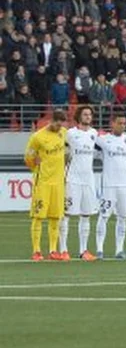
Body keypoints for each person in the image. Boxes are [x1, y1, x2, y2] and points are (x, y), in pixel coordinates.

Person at [25, 109, 67, 261]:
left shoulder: (63, 132)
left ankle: (53, 250)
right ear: (52, 120)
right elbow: (28, 156)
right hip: (42, 181)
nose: (59, 127)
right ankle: (36, 251)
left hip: (58, 182)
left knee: (56, 217)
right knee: (38, 216)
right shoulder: (37, 137)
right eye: (57, 123)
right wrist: (33, 164)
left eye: (62, 124)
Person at [95, 113, 126, 259]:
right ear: (112, 123)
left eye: (124, 123)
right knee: (104, 215)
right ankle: (99, 249)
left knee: (123, 217)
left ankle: (119, 250)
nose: (122, 126)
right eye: (119, 123)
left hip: (124, 185)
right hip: (109, 184)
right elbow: (95, 152)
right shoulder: (103, 139)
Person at [64, 106, 100, 261]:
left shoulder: (94, 133)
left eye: (90, 114)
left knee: (86, 215)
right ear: (79, 116)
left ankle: (83, 250)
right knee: (66, 215)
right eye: (85, 114)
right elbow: (62, 152)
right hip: (73, 179)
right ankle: (63, 250)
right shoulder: (70, 133)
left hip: (88, 180)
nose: (88, 116)